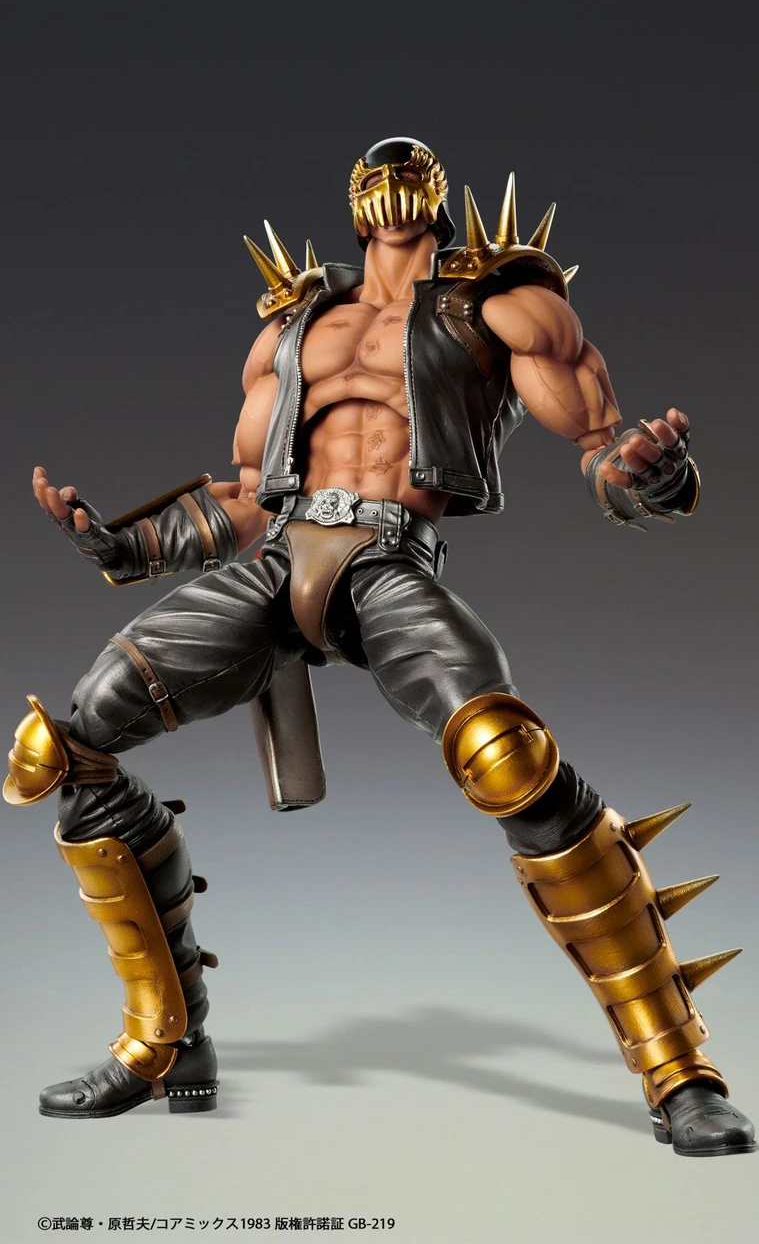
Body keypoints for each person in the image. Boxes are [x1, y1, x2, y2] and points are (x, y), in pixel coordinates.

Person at [5, 137, 754, 1155]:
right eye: (377, 172)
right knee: (67, 744)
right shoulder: (295, 323)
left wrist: (649, 475)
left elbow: (599, 442)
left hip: (391, 560)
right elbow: (246, 494)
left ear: (437, 197)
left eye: (411, 169)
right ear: (356, 203)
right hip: (282, 560)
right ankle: (165, 1042)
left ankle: (678, 1070)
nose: (393, 175)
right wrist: (124, 543)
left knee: (507, 755)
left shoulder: (501, 304)